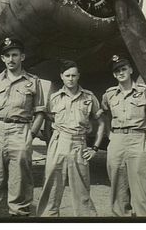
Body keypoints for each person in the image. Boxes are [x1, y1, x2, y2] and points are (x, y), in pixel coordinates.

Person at [0, 37, 45, 217]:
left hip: (20, 131)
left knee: (20, 176)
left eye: (14, 55)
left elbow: (40, 113)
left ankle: (19, 213)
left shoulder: (33, 81)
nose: (11, 59)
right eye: (7, 55)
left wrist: (30, 136)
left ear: (22, 57)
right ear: (2, 58)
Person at [36, 60, 105, 217]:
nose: (71, 79)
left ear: (78, 76)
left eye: (74, 75)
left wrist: (94, 148)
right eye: (67, 75)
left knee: (81, 189)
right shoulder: (54, 98)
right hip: (58, 142)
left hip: (79, 144)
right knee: (51, 187)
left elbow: (101, 123)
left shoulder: (89, 97)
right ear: (61, 76)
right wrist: (51, 144)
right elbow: (47, 120)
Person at [101, 54, 146, 217]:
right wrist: (109, 136)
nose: (121, 72)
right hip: (117, 141)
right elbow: (105, 115)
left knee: (143, 190)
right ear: (114, 74)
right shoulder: (109, 94)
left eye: (123, 68)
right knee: (118, 190)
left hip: (138, 140)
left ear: (131, 70)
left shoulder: (144, 91)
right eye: (117, 71)